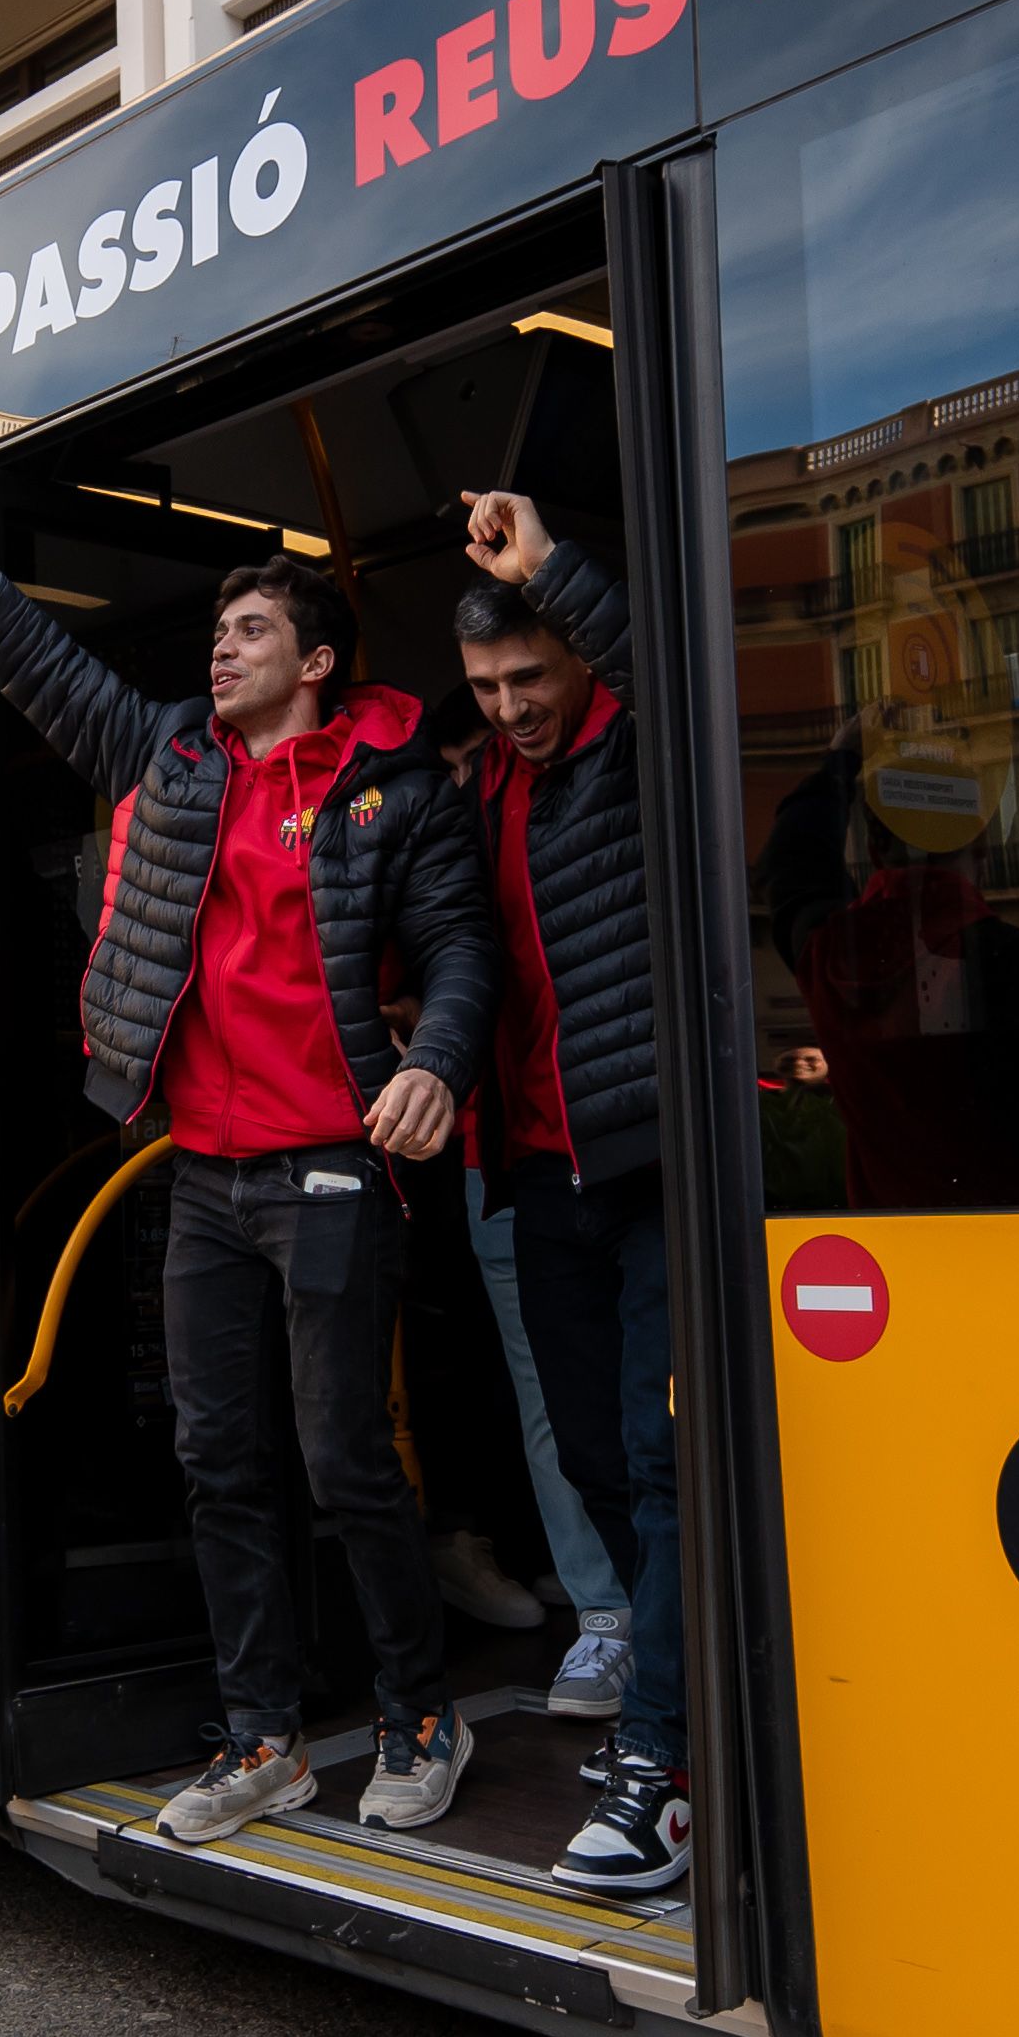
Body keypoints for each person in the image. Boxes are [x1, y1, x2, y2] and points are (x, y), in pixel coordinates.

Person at [0, 436, 489, 1846]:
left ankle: (420, 1717)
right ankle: (263, 1738)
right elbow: (32, 658)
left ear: (317, 661)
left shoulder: (393, 788)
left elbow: (457, 948)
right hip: (205, 1169)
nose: (222, 649)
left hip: (335, 1161)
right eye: (215, 630)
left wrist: (435, 1062)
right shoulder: (172, 760)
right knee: (220, 1462)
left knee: (344, 1463)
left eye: (252, 628)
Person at [452, 495, 692, 1897]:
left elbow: (666, 662)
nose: (513, 708)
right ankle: (684, 1699)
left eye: (531, 678)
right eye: (487, 689)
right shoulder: (480, 783)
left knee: (661, 1471)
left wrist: (553, 568)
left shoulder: (637, 740)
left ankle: (659, 1767)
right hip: (536, 1169)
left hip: (649, 1154)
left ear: (576, 658)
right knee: (602, 1469)